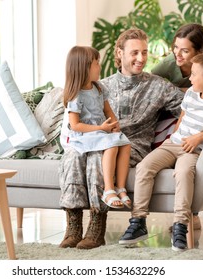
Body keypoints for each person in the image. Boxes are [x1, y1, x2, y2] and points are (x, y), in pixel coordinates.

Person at [58, 28, 184, 250]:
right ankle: (73, 228)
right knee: (72, 155)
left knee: (99, 156)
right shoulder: (101, 85)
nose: (141, 58)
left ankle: (97, 227)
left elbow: (190, 105)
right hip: (96, 138)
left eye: (144, 52)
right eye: (135, 53)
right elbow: (75, 117)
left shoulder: (158, 86)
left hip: (131, 145)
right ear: (120, 53)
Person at [120, 51, 203, 251]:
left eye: (194, 74)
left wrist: (200, 137)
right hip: (174, 144)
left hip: (193, 151)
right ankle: (138, 222)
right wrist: (175, 135)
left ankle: (181, 226)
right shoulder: (190, 93)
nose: (189, 77)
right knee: (144, 166)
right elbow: (182, 117)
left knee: (183, 173)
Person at [151, 23, 203, 229]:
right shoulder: (170, 63)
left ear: (199, 52)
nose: (177, 54)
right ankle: (192, 214)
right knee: (186, 154)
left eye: (185, 50)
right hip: (185, 106)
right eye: (175, 48)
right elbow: (151, 83)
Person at [62, 46, 132, 209]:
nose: (99, 67)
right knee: (112, 145)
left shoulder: (99, 88)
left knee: (125, 144)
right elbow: (75, 125)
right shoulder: (76, 94)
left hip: (101, 130)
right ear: (84, 68)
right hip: (84, 134)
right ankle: (108, 189)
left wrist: (114, 125)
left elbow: (108, 111)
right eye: (96, 64)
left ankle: (120, 188)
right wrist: (101, 128)